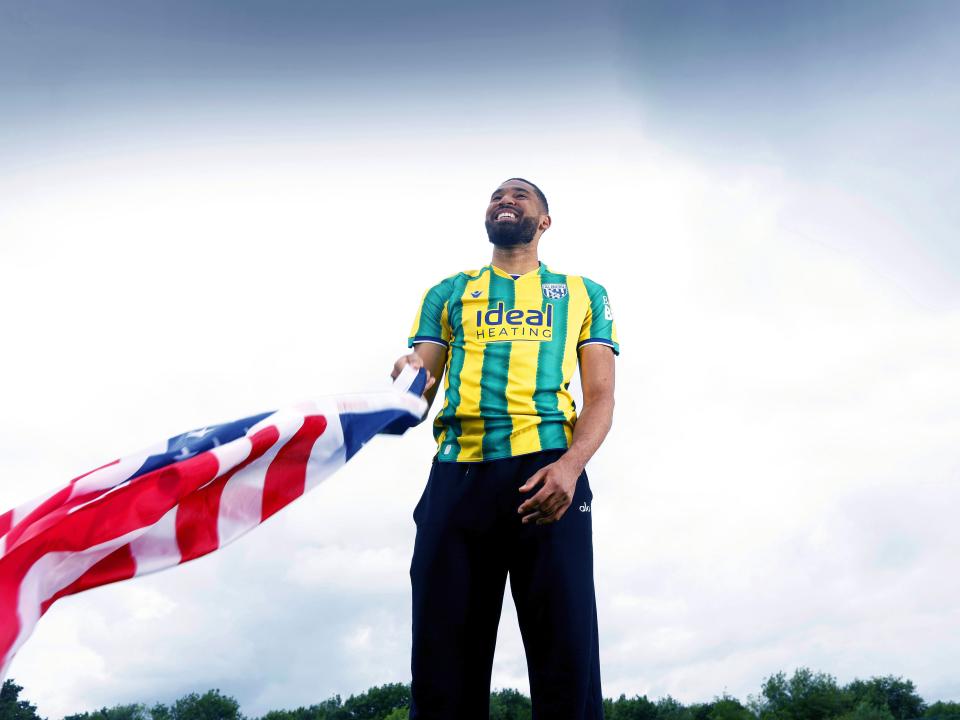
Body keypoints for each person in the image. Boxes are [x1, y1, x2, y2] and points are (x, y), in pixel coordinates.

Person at [391, 178, 618, 719]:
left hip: (548, 474)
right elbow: (420, 389)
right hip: (458, 476)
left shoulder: (583, 292)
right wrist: (406, 381)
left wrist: (570, 467)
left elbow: (603, 396)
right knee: (443, 659)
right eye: (496, 195)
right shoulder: (448, 292)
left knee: (565, 652)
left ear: (544, 221)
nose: (505, 200)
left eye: (520, 196)